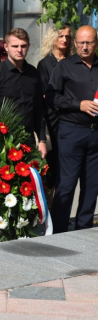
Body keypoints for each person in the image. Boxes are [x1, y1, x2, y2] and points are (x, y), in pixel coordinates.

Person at [46, 25, 98, 234]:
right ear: (75, 43)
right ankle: (59, 233)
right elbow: (51, 97)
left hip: (95, 133)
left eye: (89, 42)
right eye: (81, 43)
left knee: (91, 187)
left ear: (96, 43)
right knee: (66, 186)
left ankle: (83, 231)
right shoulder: (64, 66)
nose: (85, 47)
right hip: (72, 131)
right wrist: (79, 104)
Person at [0, 28, 47, 151]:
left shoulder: (33, 73)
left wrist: (42, 140)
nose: (19, 50)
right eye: (15, 46)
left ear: (28, 46)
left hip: (28, 141)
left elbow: (38, 109)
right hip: (2, 141)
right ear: (6, 47)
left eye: (23, 46)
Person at [37, 24, 75, 196]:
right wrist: (71, 102)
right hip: (52, 122)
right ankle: (50, 213)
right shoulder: (45, 64)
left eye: (67, 36)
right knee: (50, 168)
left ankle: (61, 212)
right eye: (61, 36)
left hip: (73, 121)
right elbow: (46, 95)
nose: (64, 40)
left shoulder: (74, 63)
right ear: (53, 38)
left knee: (67, 169)